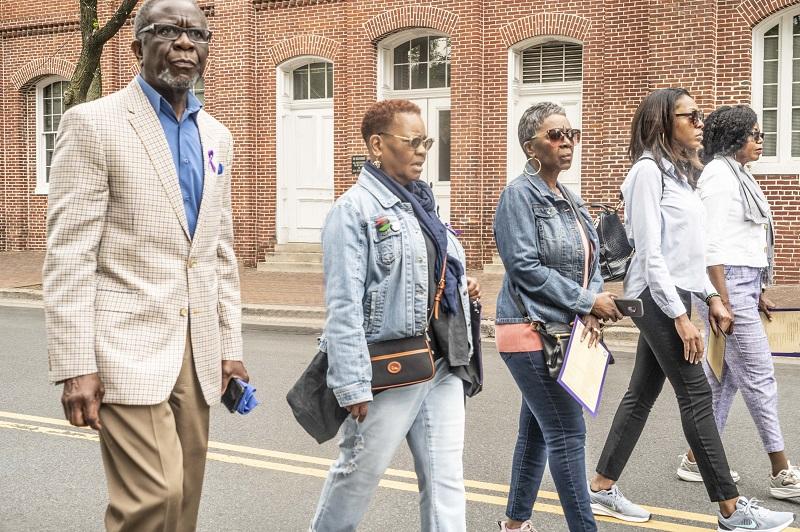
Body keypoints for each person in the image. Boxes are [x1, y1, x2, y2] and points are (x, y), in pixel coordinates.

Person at [43, 1, 249, 530]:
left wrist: (230, 349)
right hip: (123, 346)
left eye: (197, 35)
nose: (185, 43)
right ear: (137, 47)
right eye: (167, 31)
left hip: (196, 347)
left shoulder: (216, 136)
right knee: (154, 496)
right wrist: (75, 365)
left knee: (184, 505)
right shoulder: (92, 124)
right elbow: (70, 253)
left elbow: (217, 251)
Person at [587, 88, 795, 531]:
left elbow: (690, 252)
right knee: (698, 397)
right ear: (665, 123)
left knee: (641, 394)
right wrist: (681, 316)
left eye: (699, 116)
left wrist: (712, 297)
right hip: (657, 300)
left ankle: (601, 487)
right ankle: (732, 509)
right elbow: (651, 254)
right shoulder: (647, 173)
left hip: (677, 294)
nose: (701, 123)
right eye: (691, 116)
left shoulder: (681, 175)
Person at [310, 99, 481, 532]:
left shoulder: (422, 203)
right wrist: (352, 385)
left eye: (426, 140)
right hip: (387, 368)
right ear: (377, 145)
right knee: (358, 477)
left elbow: (428, 270)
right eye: (412, 141)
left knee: (446, 482)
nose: (423, 150)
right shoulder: (353, 211)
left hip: (441, 363)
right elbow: (344, 306)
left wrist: (460, 284)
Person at [492, 102, 623, 532]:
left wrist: (593, 300)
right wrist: (585, 302)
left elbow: (593, 258)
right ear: (531, 147)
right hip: (529, 329)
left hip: (562, 329)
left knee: (536, 433)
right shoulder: (518, 195)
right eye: (555, 135)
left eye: (572, 133)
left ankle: (515, 524)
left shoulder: (570, 197)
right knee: (567, 435)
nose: (567, 141)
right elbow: (525, 268)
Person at [674, 105, 800, 498]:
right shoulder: (717, 176)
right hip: (724, 285)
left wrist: (758, 288)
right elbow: (709, 243)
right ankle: (781, 471)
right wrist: (720, 300)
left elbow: (747, 239)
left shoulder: (740, 175)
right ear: (734, 137)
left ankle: (695, 459)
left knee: (724, 379)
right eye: (756, 135)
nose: (761, 142)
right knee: (760, 376)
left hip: (744, 283)